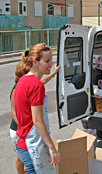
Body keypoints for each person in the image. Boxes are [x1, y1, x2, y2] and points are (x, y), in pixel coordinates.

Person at [14, 43, 61, 173]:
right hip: (32, 143)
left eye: (51, 60)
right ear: (35, 62)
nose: (51, 64)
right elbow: (37, 120)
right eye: (46, 61)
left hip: (22, 143)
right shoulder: (36, 86)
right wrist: (52, 147)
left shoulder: (23, 80)